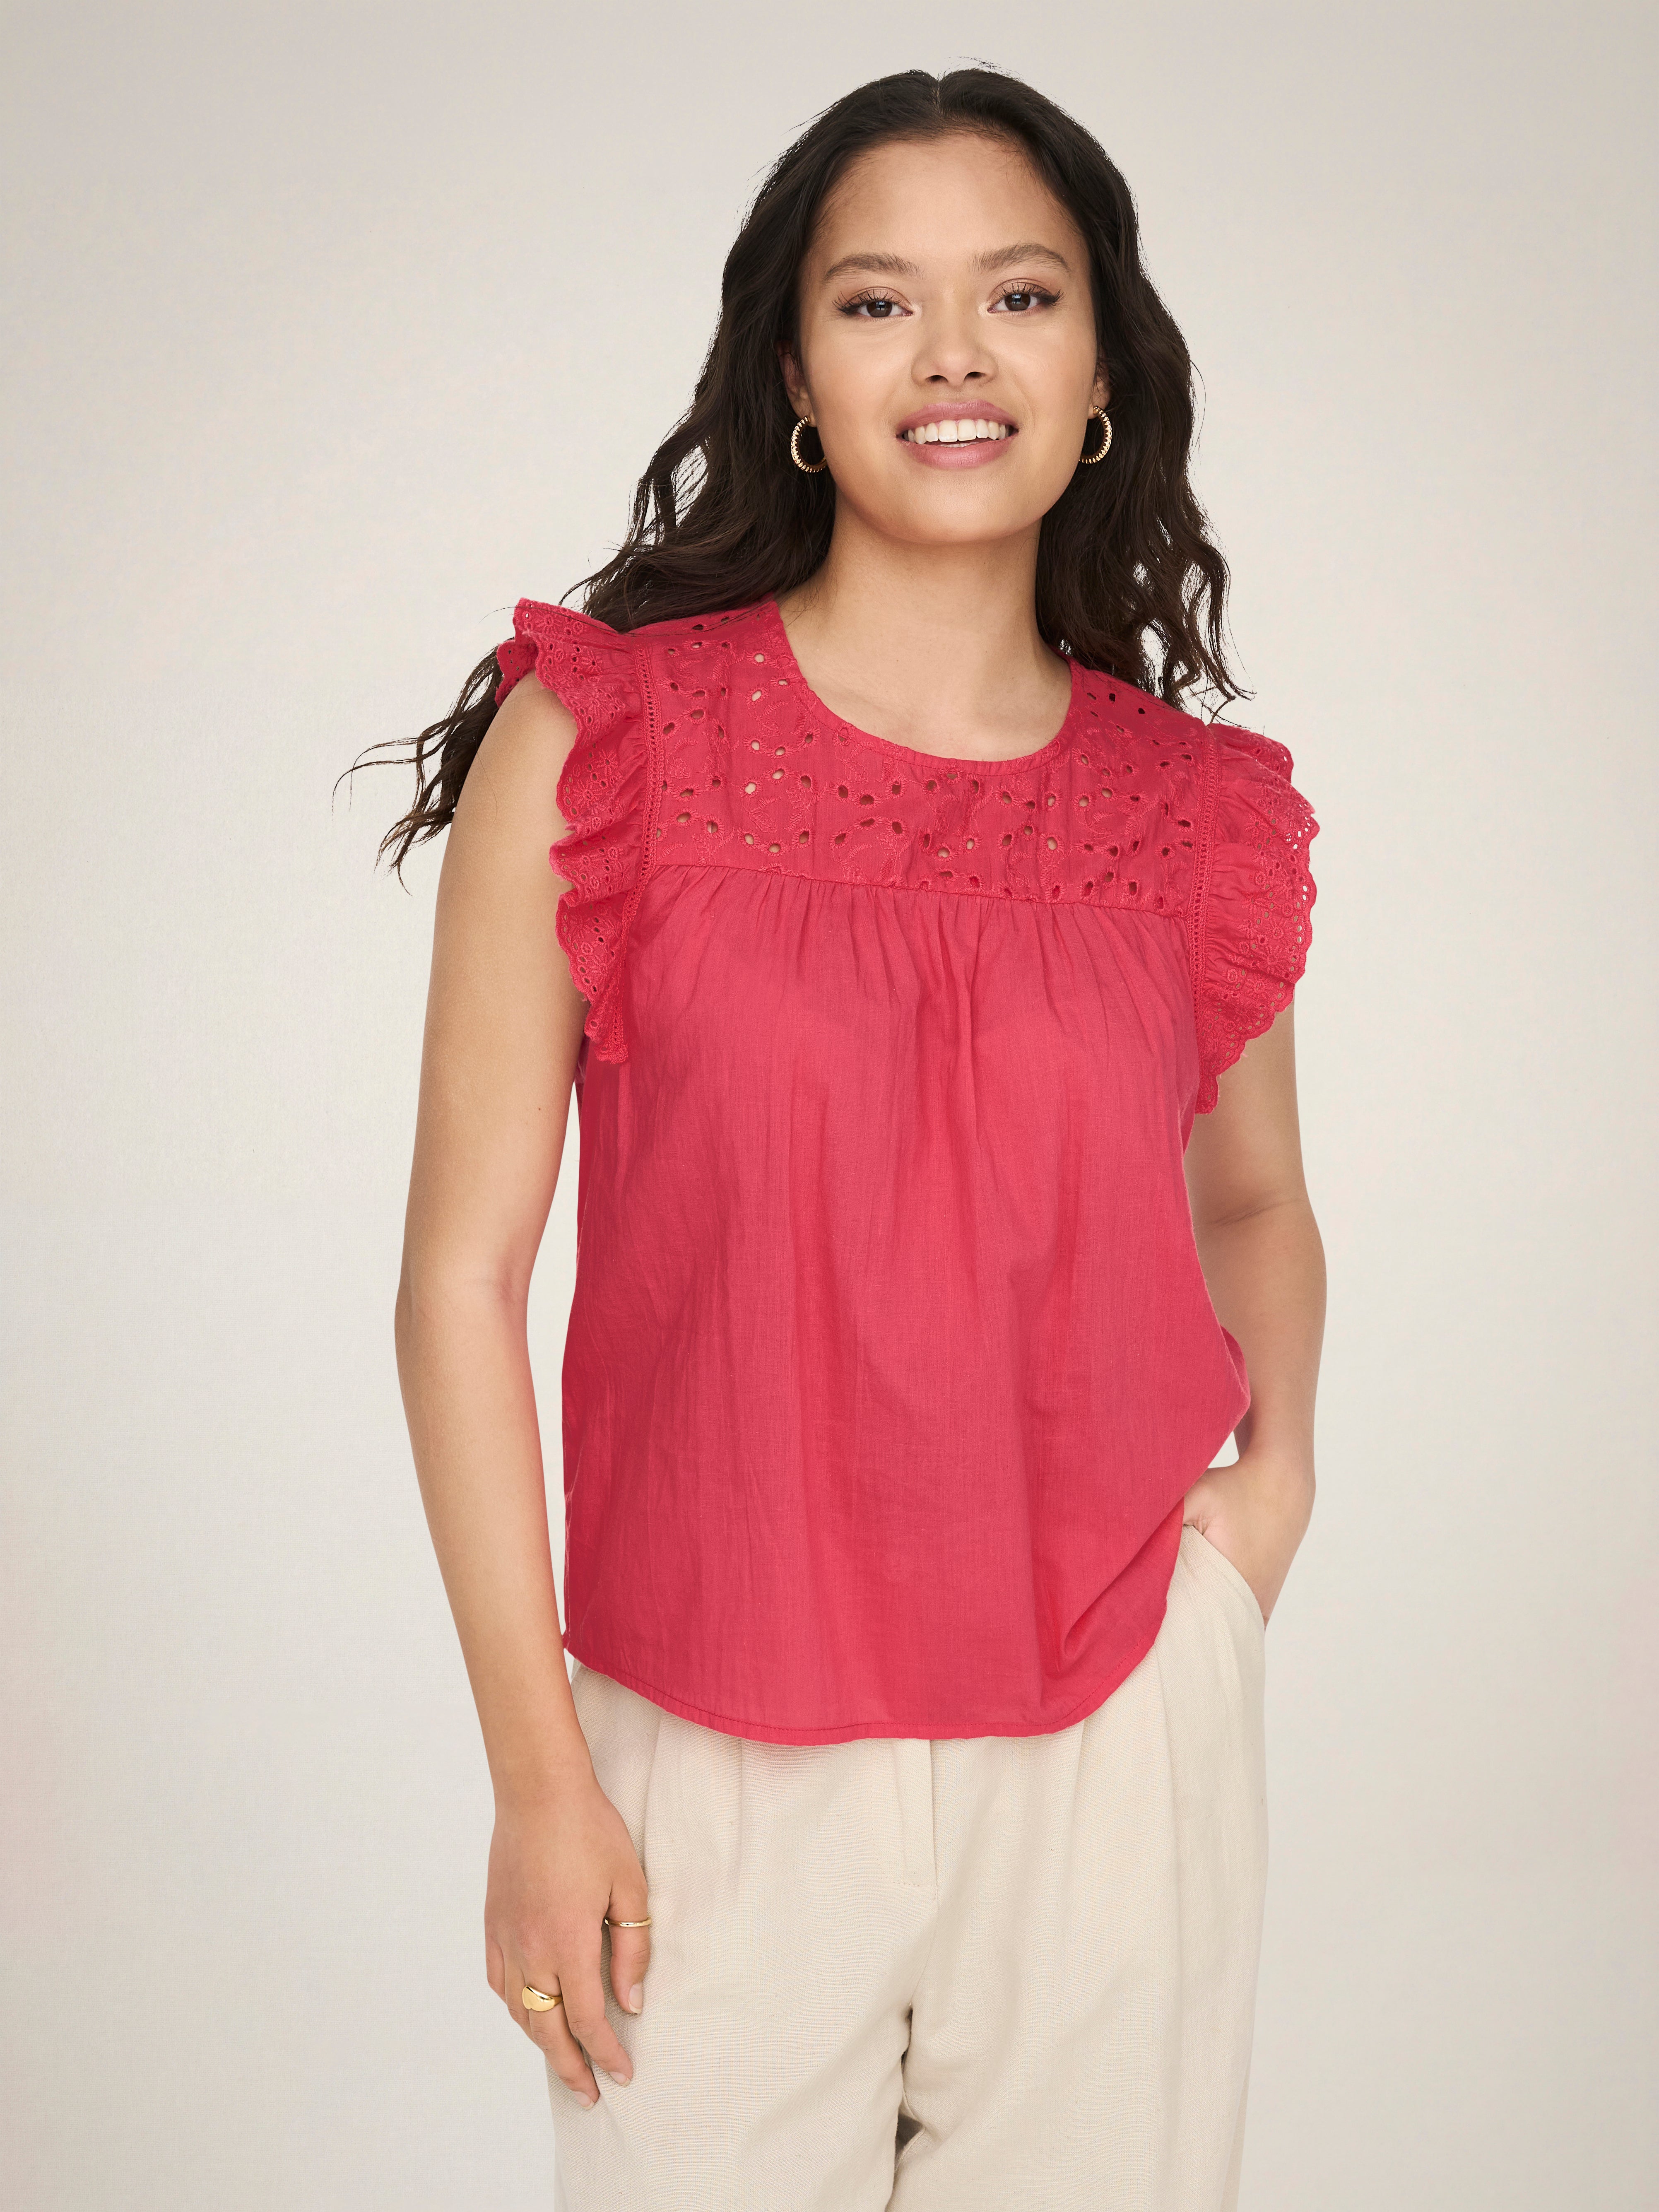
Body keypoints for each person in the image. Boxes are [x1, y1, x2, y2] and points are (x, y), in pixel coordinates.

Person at [377, 65, 1324, 2212]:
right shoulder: (604, 740)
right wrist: (537, 1775)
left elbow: (1257, 1200)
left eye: (1021, 296)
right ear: (795, 379)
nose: (954, 356)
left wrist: (1266, 1497)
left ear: (1102, 371)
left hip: (1114, 1739)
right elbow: (459, 1276)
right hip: (705, 1752)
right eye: (879, 302)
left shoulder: (1194, 815)